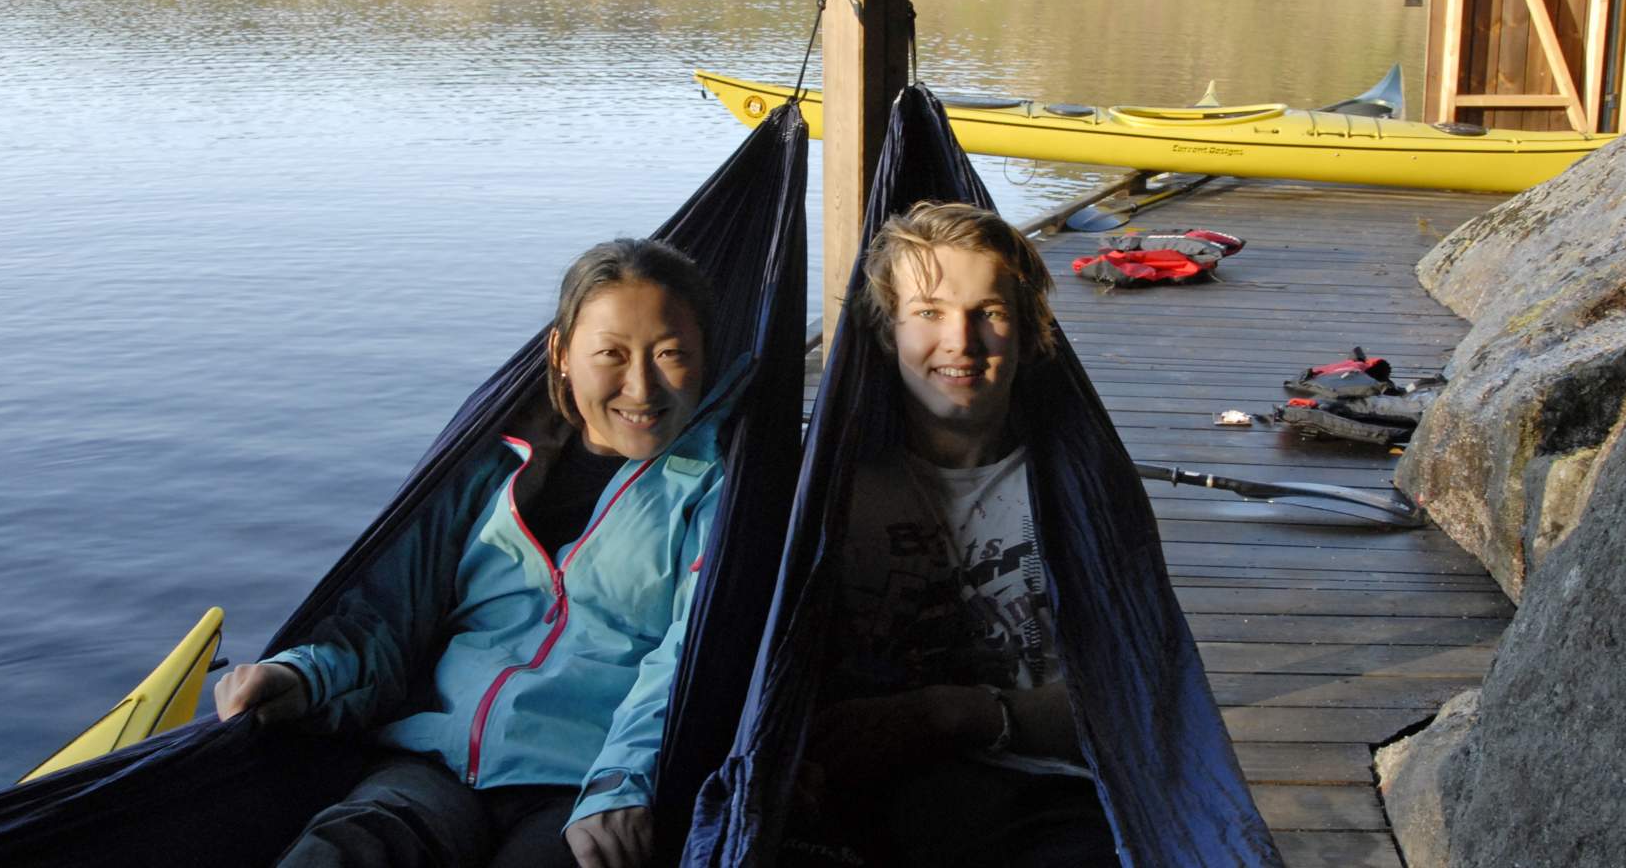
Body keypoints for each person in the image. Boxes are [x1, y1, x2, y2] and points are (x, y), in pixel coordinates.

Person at [214, 238, 739, 868]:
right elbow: (390, 612)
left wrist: (623, 781)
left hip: (583, 789)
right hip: (431, 763)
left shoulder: (718, 486)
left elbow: (690, 656)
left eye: (671, 354)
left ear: (707, 357)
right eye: (611, 354)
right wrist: (305, 674)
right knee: (338, 852)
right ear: (561, 353)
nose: (640, 385)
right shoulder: (490, 461)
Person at [798, 201, 1116, 866]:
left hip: (1048, 796)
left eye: (989, 314)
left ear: (1028, 333)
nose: (961, 341)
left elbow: (1128, 696)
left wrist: (952, 714)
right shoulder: (826, 488)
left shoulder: (1078, 491)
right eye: (929, 313)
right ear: (888, 334)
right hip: (858, 799)